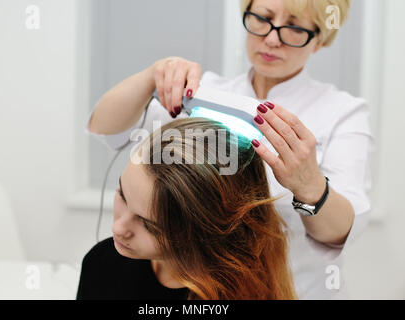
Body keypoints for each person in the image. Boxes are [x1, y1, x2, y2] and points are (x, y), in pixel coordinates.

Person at [84, 0, 373, 299]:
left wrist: (311, 187)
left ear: (320, 38)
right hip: (204, 291)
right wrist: (152, 75)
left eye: (295, 27)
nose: (272, 38)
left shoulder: (342, 113)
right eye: (262, 18)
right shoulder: (203, 94)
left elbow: (341, 232)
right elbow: (106, 128)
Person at [77, 118, 298, 300]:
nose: (118, 228)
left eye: (150, 226)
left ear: (205, 231)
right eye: (122, 196)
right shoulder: (102, 263)